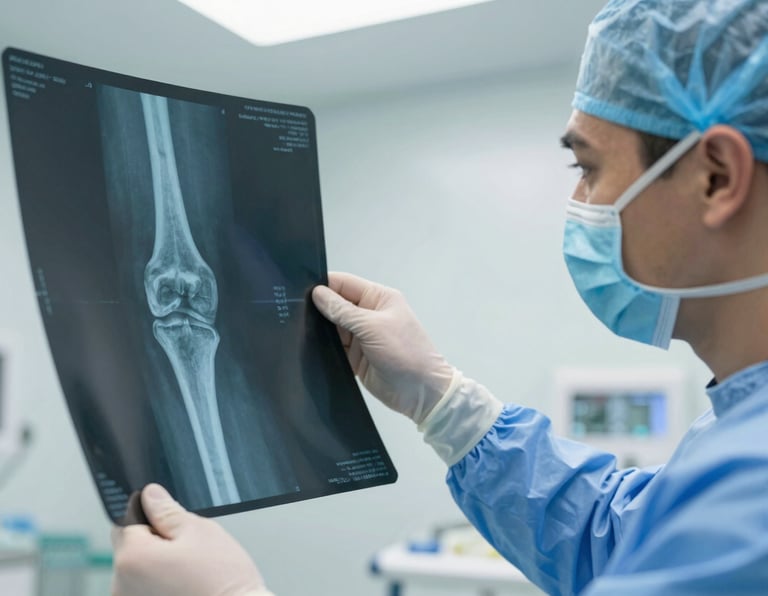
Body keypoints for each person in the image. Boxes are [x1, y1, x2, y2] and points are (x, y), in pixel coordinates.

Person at [111, 1, 768, 594]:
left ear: (716, 177)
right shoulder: (736, 452)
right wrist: (446, 403)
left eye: (587, 168)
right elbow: (620, 542)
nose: (578, 206)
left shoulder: (753, 496)